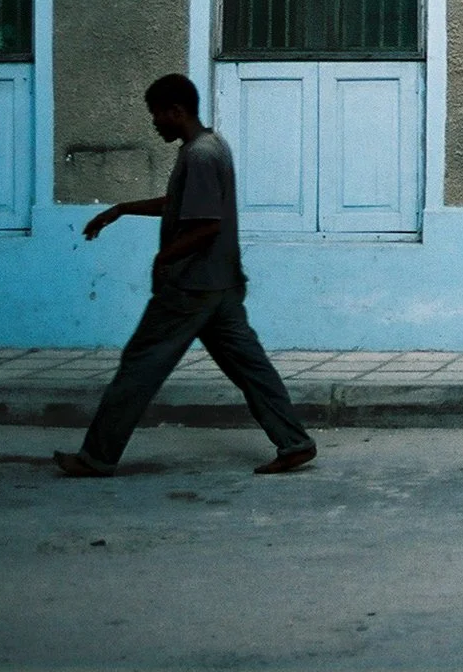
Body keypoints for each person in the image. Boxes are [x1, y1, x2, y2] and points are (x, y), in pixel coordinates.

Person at [54, 73, 317, 478]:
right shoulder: (210, 147)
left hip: (191, 288)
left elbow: (206, 224)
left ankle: (96, 456)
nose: (154, 123)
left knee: (139, 366)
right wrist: (122, 208)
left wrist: (164, 258)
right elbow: (181, 204)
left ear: (175, 111)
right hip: (221, 285)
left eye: (156, 115)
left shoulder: (200, 154)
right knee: (250, 368)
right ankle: (294, 442)